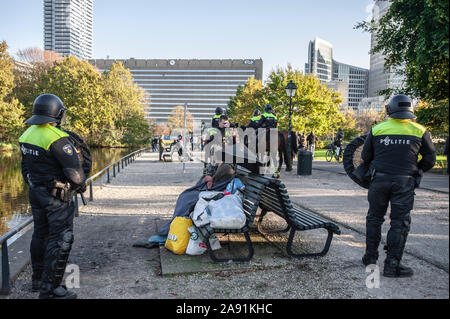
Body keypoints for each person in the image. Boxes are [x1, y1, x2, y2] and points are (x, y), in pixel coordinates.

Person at [19, 94, 87, 299]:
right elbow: (75, 174)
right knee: (61, 239)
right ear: (56, 113)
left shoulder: (27, 134)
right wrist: (81, 185)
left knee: (40, 235)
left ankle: (37, 280)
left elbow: (25, 168)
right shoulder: (57, 138)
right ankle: (50, 290)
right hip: (56, 198)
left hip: (36, 193)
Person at [360, 94, 436, 278]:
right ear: (410, 109)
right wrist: (416, 169)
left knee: (374, 218)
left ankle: (370, 257)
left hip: (379, 181)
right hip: (404, 181)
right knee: (399, 223)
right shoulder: (420, 130)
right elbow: (430, 159)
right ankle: (392, 266)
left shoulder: (377, 129)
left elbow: (365, 157)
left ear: (390, 109)